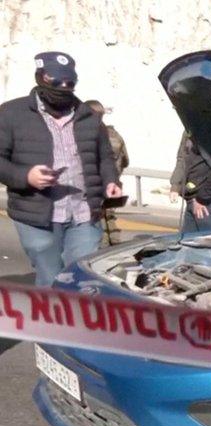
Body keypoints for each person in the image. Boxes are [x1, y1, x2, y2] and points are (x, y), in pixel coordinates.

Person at [0, 52, 121, 286]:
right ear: (40, 77)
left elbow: (104, 157)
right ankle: (53, 319)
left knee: (82, 276)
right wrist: (26, 177)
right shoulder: (10, 114)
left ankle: (79, 320)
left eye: (69, 83)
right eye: (56, 81)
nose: (63, 87)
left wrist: (110, 181)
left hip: (84, 212)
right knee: (50, 278)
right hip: (37, 215)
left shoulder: (89, 117)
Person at [84, 99, 128, 246]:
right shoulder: (115, 135)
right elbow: (126, 160)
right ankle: (114, 246)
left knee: (97, 221)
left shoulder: (86, 133)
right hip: (113, 186)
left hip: (94, 187)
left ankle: (101, 250)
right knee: (110, 218)